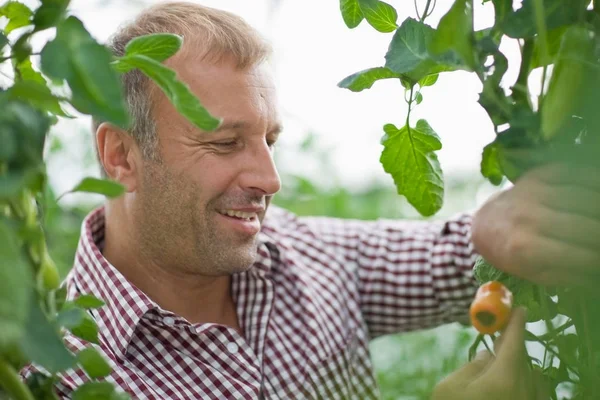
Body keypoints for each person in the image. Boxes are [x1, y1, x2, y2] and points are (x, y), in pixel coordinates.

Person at [21, 1, 600, 399]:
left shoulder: (300, 252)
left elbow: (461, 257)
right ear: (121, 155)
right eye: (225, 142)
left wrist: (497, 228)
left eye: (268, 140)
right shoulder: (60, 377)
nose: (269, 179)